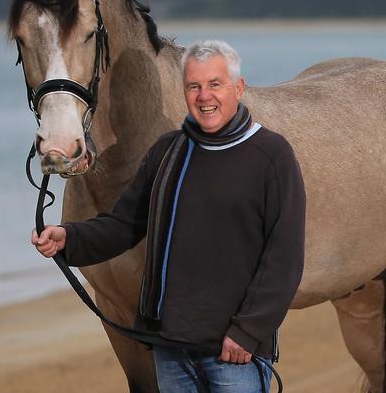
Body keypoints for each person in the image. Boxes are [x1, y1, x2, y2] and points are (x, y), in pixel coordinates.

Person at [32, 40, 306, 392]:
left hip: (235, 352)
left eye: (215, 84)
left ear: (239, 88)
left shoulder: (272, 155)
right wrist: (70, 238)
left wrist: (248, 332)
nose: (204, 96)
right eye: (194, 86)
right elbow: (124, 225)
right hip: (171, 351)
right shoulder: (167, 152)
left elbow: (284, 259)